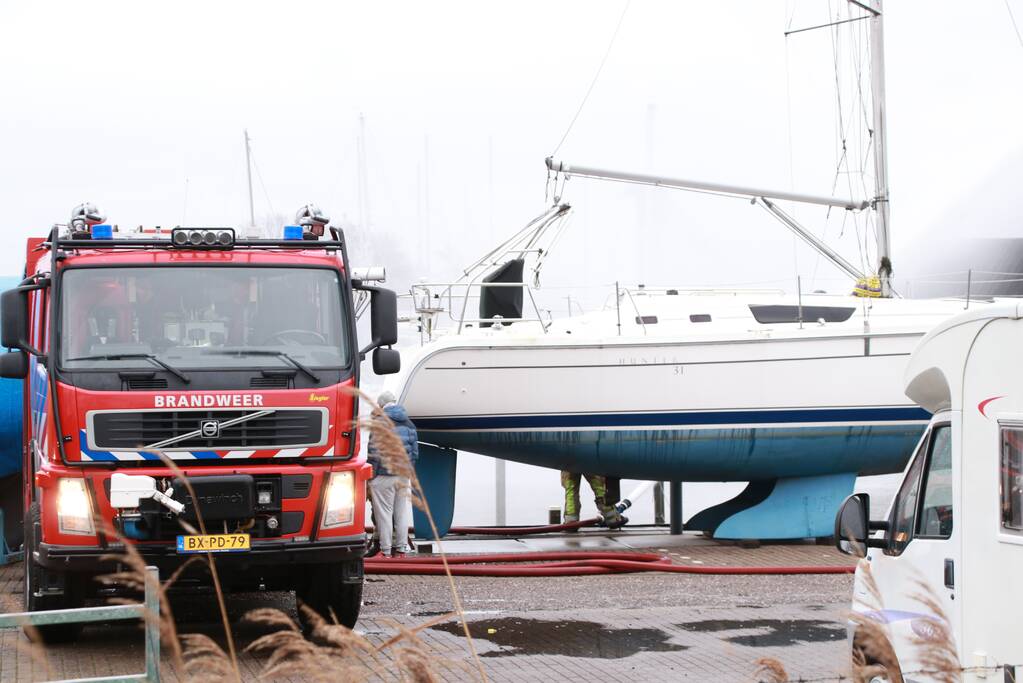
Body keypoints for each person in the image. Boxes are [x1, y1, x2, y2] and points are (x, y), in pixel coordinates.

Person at [367, 391, 419, 558]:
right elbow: (415, 453)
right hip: (403, 475)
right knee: (401, 513)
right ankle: (401, 550)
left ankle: (385, 551)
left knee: (384, 514)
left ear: (381, 405)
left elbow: (374, 451)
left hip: (384, 474)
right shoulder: (409, 423)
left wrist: (371, 476)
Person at [560, 471, 625, 529]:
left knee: (571, 490)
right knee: (598, 485)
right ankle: (612, 519)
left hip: (568, 460)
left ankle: (571, 522)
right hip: (588, 459)